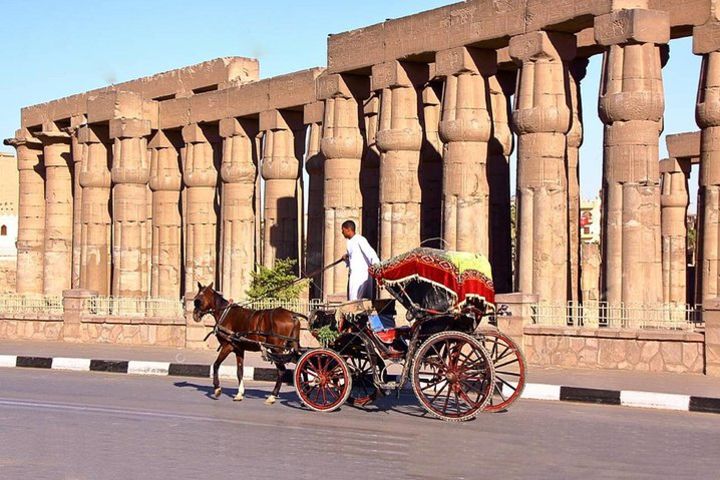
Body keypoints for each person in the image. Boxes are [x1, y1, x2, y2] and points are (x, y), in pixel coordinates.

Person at [340, 220, 380, 301]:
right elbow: (354, 258)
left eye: (343, 230)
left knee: (355, 299)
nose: (342, 232)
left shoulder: (360, 239)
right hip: (354, 274)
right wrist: (347, 258)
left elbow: (370, 253)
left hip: (361, 275)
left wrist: (377, 266)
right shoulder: (350, 242)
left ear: (348, 229)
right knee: (354, 299)